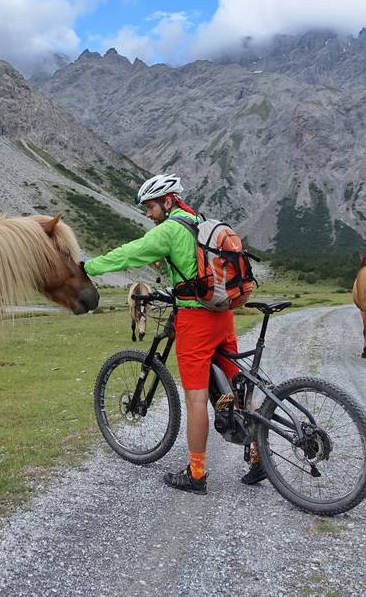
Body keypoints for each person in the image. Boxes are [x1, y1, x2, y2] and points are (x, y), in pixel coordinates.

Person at [82, 174, 264, 494]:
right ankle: (258, 454)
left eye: (151, 207)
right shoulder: (199, 222)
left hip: (196, 321)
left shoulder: (169, 230)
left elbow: (129, 253)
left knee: (196, 397)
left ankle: (196, 473)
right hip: (222, 314)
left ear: (168, 201)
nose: (148, 214)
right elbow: (196, 272)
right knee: (236, 385)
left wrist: (88, 267)